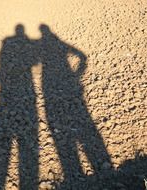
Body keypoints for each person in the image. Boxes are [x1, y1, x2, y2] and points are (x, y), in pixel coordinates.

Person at [38, 24, 112, 188]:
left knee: (64, 134)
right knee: (86, 128)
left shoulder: (52, 45)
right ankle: (101, 175)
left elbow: (82, 57)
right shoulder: (59, 44)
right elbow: (82, 57)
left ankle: (76, 178)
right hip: (67, 87)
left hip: (53, 89)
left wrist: (77, 75)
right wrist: (77, 75)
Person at [0, 24, 39, 190]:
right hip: (26, 93)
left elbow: (1, 60)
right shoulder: (14, 42)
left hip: (8, 96)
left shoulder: (7, 41)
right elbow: (35, 59)